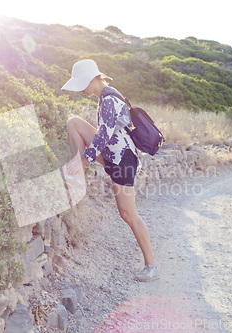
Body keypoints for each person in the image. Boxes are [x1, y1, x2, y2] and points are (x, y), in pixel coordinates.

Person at [61, 59, 158, 282]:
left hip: (123, 160)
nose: (80, 90)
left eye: (80, 84)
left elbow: (103, 136)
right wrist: (81, 160)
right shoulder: (105, 97)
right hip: (113, 155)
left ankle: (151, 266)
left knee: (128, 214)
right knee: (74, 123)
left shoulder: (109, 99)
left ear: (89, 80)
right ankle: (77, 178)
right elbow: (104, 136)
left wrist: (83, 157)